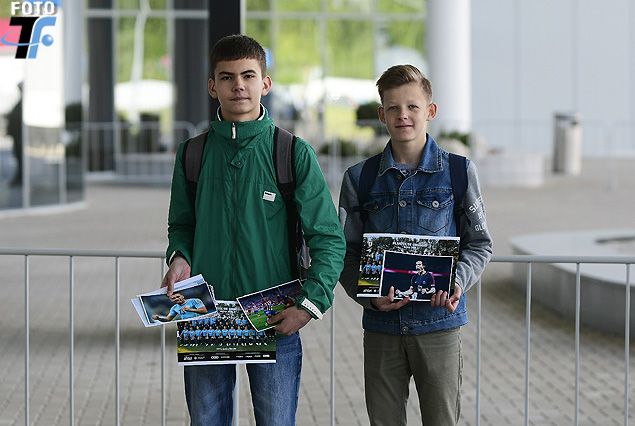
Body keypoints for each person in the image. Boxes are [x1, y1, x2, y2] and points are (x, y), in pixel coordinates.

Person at [161, 34, 345, 426]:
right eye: (227, 77)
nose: (238, 85)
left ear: (265, 83)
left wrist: (309, 305)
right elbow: (182, 225)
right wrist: (179, 257)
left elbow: (328, 238)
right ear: (213, 87)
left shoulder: (291, 152)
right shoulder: (192, 154)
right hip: (205, 314)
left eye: (248, 76)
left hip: (275, 314)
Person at [338, 64, 493, 426]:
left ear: (430, 111)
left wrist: (457, 282)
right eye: (393, 107)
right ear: (382, 115)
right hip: (382, 327)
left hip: (439, 325)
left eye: (412, 106)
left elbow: (479, 244)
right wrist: (367, 296)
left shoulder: (458, 172)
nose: (402, 115)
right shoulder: (359, 178)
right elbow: (346, 252)